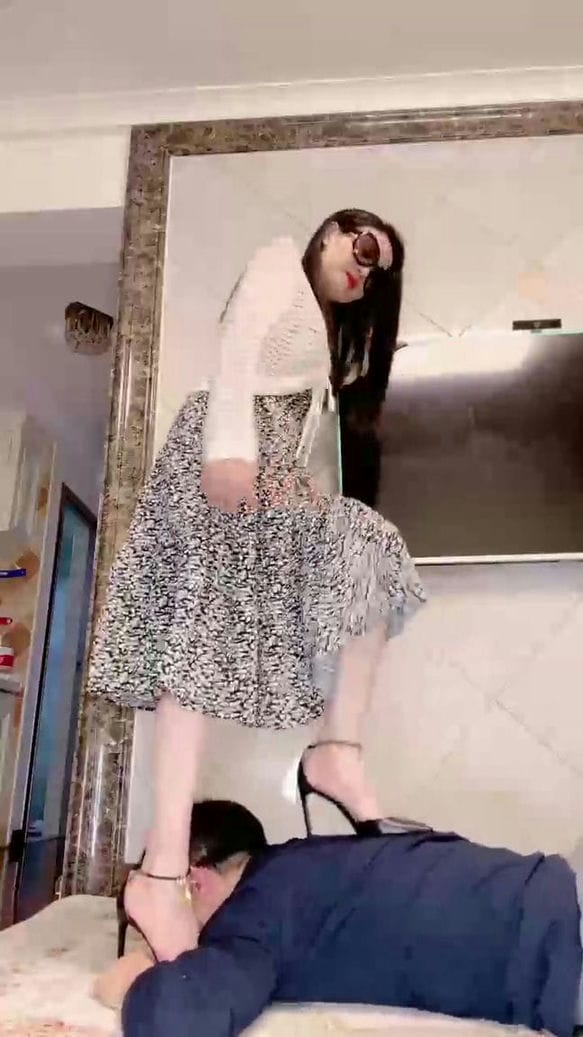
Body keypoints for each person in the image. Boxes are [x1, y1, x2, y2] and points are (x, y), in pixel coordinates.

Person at [87, 209, 426, 962]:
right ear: (331, 231)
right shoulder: (278, 261)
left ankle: (334, 753)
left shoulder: (327, 345)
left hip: (267, 477)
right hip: (226, 456)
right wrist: (229, 451)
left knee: (369, 547)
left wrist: (306, 499)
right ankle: (162, 872)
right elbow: (238, 346)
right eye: (364, 247)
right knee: (198, 638)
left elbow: (310, 446)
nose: (365, 271)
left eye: (378, 274)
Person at [119, 799, 583, 1037]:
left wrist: (142, 972)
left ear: (193, 882)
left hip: (564, 944)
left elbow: (176, 1021)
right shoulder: (307, 862)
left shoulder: (251, 916)